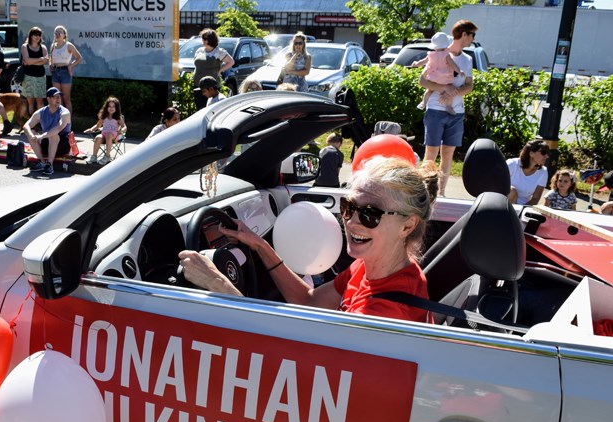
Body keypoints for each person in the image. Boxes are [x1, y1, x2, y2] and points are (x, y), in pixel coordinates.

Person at [179, 156, 437, 324]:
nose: (352, 222)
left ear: (407, 225)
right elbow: (309, 301)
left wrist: (219, 286)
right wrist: (259, 245)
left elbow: (298, 361)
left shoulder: (382, 312)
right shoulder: (373, 266)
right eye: (350, 207)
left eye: (371, 214)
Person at [420, 19, 478, 196]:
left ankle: (441, 193)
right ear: (464, 34)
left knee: (448, 154)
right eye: (472, 35)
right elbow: (422, 81)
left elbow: (469, 85)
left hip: (457, 113)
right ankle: (424, 192)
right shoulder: (440, 52)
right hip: (436, 110)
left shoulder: (467, 59)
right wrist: (444, 88)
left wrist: (454, 93)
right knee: (431, 152)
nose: (473, 39)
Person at [22, 87, 71, 175]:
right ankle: (42, 162)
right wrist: (31, 135)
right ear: (48, 99)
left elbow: (57, 129)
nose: (58, 99)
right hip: (46, 142)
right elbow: (26, 126)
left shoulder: (65, 113)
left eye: (59, 97)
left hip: (62, 145)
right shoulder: (41, 112)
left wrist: (41, 136)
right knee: (31, 132)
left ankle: (50, 165)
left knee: (53, 134)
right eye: (55, 97)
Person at [413, 32, 463, 115]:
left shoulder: (431, 54)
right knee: (449, 91)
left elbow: (422, 62)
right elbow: (452, 64)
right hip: (444, 78)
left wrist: (416, 64)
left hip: (434, 77)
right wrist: (459, 71)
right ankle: (449, 107)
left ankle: (423, 102)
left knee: (429, 90)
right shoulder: (446, 55)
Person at [191, 28, 233, 109]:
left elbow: (231, 62)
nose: (203, 41)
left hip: (211, 87)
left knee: (211, 108)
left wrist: (220, 71)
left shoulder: (219, 52)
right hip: (198, 84)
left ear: (210, 40)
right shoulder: (199, 50)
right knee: (199, 108)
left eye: (205, 39)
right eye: (203, 39)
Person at [49, 25, 82, 114]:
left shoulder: (68, 45)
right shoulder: (53, 46)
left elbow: (79, 58)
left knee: (66, 99)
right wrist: (50, 65)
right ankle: (59, 120)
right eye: (56, 32)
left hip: (65, 72)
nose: (57, 34)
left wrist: (71, 66)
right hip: (55, 72)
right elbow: (51, 59)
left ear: (64, 35)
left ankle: (68, 123)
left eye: (60, 32)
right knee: (57, 98)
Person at [84, 96, 126, 165]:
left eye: (113, 106)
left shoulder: (118, 117)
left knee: (109, 135)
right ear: (106, 107)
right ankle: (94, 156)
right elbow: (98, 126)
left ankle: (107, 156)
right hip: (104, 134)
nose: (111, 108)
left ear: (116, 108)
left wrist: (121, 131)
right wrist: (91, 129)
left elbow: (124, 126)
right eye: (109, 106)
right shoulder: (104, 116)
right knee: (98, 137)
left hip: (114, 136)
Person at [507, 139, 549, 205]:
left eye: (547, 153)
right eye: (543, 153)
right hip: (503, 204)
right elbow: (496, 186)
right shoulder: (512, 164)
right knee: (512, 191)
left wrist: (522, 210)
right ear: (531, 153)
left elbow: (535, 198)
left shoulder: (543, 172)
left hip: (523, 207)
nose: (547, 156)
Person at [21, 27, 49, 115]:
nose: (37, 37)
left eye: (39, 35)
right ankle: (32, 122)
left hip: (40, 77)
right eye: (35, 34)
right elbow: (27, 60)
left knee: (40, 102)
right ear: (31, 36)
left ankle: (41, 121)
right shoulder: (25, 46)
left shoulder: (43, 47)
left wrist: (31, 62)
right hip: (28, 76)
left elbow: (46, 61)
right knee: (30, 102)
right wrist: (40, 59)